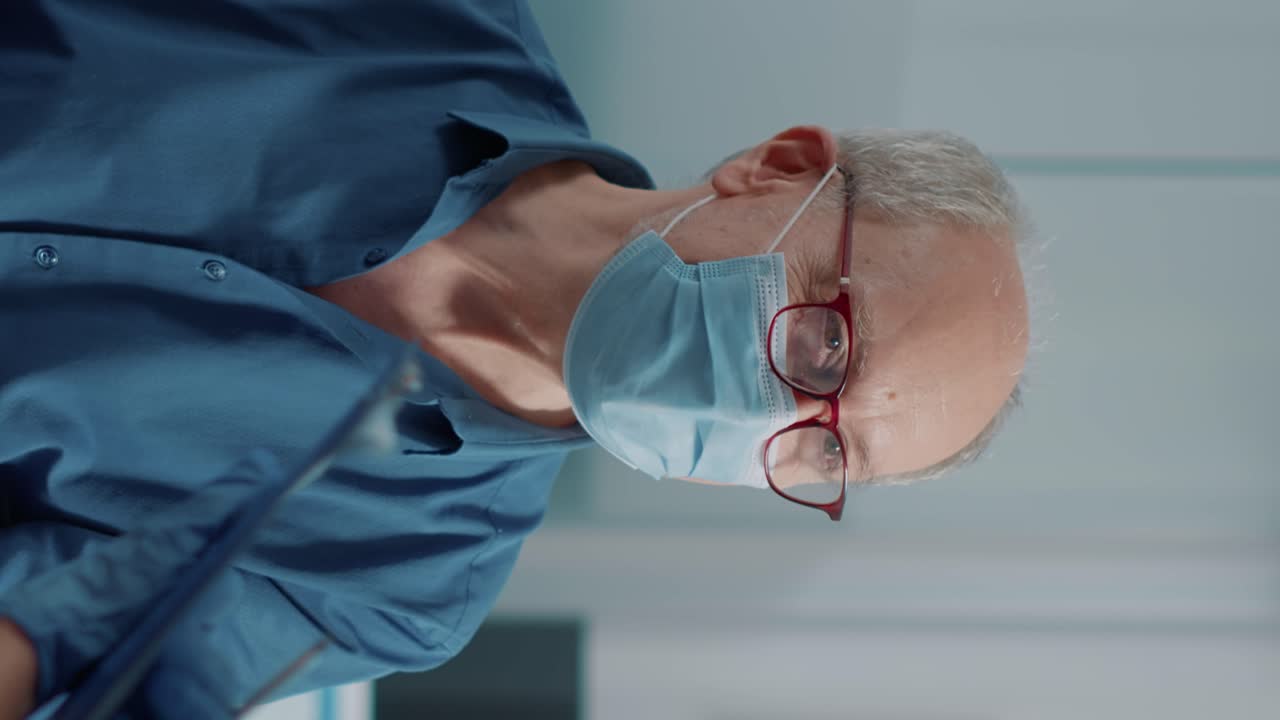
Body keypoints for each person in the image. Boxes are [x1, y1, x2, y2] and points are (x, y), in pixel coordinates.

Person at [0, 0, 1029, 716]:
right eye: (826, 342)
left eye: (821, 455)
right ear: (776, 167)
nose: (772, 416)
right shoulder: (429, 25)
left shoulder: (396, 588)